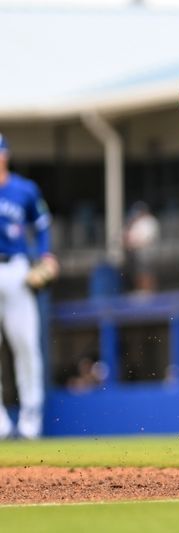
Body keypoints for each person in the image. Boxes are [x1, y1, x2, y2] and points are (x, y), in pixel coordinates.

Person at [0, 133, 58, 439]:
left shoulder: (24, 189)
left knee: (26, 345)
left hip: (16, 268)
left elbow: (42, 226)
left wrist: (45, 256)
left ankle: (30, 418)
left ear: (5, 155)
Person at [123, 201, 160, 293]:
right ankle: (142, 293)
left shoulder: (150, 221)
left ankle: (150, 294)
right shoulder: (134, 223)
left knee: (147, 275)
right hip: (135, 254)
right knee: (138, 275)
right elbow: (126, 238)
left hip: (147, 253)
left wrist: (134, 243)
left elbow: (148, 239)